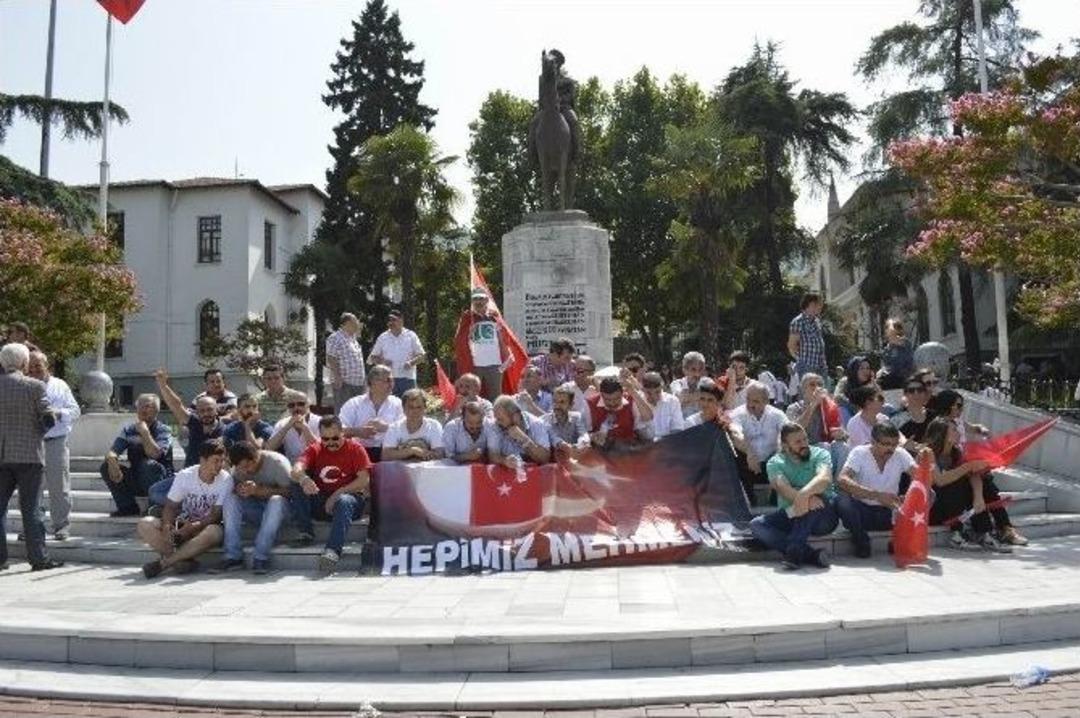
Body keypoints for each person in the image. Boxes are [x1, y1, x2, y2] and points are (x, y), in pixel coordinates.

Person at [0, 343, 62, 571]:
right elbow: (48, 419)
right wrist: (36, 433)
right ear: (25, 363)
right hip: (30, 456)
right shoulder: (34, 386)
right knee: (31, 509)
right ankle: (38, 559)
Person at [922, 417, 1021, 552]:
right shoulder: (927, 452)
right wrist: (968, 466)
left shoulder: (957, 452)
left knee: (984, 482)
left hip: (952, 506)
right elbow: (939, 480)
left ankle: (985, 532)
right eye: (954, 429)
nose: (958, 432)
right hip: (931, 507)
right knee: (955, 483)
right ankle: (956, 536)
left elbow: (974, 474)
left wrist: (978, 497)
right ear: (942, 433)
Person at [289, 415, 372, 572]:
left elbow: (363, 481)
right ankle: (306, 532)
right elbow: (295, 469)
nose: (330, 443)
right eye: (325, 439)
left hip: (350, 501)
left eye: (335, 438)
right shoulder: (316, 448)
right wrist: (304, 479)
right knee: (296, 484)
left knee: (344, 501)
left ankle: (333, 551)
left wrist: (337, 494)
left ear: (342, 433)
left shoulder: (355, 449)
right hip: (322, 500)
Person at [137, 440, 230, 578]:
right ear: (203, 460)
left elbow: (215, 515)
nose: (220, 465)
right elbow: (170, 506)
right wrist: (168, 526)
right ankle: (181, 562)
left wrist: (193, 527)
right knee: (145, 523)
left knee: (215, 532)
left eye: (222, 461)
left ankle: (165, 563)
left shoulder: (225, 479)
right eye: (216, 460)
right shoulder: (185, 475)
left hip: (205, 527)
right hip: (182, 524)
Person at [749, 424, 836, 570]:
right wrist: (806, 498)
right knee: (757, 525)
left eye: (805, 439)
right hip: (792, 513)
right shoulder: (775, 462)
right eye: (798, 442)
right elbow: (782, 488)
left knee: (816, 500)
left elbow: (824, 479)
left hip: (823, 515)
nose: (804, 444)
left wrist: (804, 495)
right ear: (785, 445)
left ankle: (795, 550)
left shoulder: (820, 454)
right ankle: (811, 555)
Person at [835, 423, 917, 558]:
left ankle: (900, 539)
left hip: (890, 513)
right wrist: (877, 496)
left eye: (894, 444)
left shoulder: (900, 454)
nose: (891, 448)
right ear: (873, 441)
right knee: (841, 500)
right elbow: (842, 479)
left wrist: (909, 496)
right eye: (886, 444)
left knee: (929, 494)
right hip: (862, 512)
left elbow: (919, 477)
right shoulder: (860, 452)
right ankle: (862, 542)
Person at [216, 441, 292, 573]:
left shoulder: (277, 463)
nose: (245, 471)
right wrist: (240, 490)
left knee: (276, 500)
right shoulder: (239, 470)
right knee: (230, 499)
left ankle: (260, 557)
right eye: (241, 468)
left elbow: (292, 493)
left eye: (247, 466)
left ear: (256, 456)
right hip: (257, 511)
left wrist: (261, 491)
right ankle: (233, 557)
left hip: (282, 512)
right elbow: (235, 490)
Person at [27, 351, 80, 540]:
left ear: (46, 366)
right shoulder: (24, 385)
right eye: (30, 367)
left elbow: (75, 410)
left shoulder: (60, 385)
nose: (34, 370)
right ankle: (34, 527)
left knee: (59, 485)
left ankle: (61, 526)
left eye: (37, 366)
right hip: (31, 442)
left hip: (55, 441)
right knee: (32, 488)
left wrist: (59, 412)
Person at [100, 394, 174, 517]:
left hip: (161, 480)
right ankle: (128, 507)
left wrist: (144, 432)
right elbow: (113, 451)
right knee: (105, 467)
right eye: (140, 406)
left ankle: (155, 507)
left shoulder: (163, 430)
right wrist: (112, 460)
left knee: (148, 465)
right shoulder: (129, 430)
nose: (143, 410)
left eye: (148, 406)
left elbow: (155, 454)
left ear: (156, 410)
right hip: (137, 476)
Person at [154, 368, 226, 469]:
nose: (206, 414)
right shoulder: (194, 422)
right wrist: (163, 385)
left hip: (214, 476)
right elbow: (177, 405)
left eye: (209, 410)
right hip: (190, 475)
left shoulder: (224, 430)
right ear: (197, 412)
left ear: (216, 410)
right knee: (158, 486)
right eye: (202, 411)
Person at [729, 381, 787, 503]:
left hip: (772, 460)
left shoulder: (777, 414)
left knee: (786, 456)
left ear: (766, 401)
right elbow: (735, 434)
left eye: (755, 401)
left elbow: (786, 434)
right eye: (748, 399)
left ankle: (779, 505)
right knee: (734, 456)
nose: (750, 404)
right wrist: (749, 452)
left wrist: (777, 456)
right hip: (746, 461)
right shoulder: (737, 413)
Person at [455, 288, 511, 401]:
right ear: (472, 301)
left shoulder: (494, 316)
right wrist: (468, 332)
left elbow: (505, 338)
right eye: (475, 299)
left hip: (495, 364)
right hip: (475, 365)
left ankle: (495, 418)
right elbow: (459, 340)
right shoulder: (467, 317)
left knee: (496, 397)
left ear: (486, 300)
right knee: (472, 397)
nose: (478, 302)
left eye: (481, 298)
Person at [340, 365, 402, 463]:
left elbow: (407, 430)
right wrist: (358, 432)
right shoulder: (354, 403)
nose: (391, 384)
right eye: (387, 380)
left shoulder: (398, 403)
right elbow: (338, 429)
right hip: (359, 451)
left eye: (392, 381)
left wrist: (386, 427)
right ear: (373, 382)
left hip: (389, 453)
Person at [587, 375, 654, 451]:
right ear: (601, 394)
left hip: (628, 450)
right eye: (607, 399)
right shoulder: (590, 403)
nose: (612, 403)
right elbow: (581, 433)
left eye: (616, 399)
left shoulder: (631, 400)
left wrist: (633, 391)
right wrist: (592, 437)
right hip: (600, 452)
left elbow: (648, 417)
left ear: (622, 393)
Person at [369, 310, 426, 397]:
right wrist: (382, 361)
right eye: (389, 320)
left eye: (394, 320)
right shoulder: (383, 337)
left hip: (408, 379)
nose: (391, 322)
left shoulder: (411, 336)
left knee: (408, 407)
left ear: (401, 320)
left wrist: (411, 363)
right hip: (388, 379)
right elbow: (373, 357)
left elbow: (422, 356)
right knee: (389, 408)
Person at [487, 395, 552, 467]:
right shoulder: (495, 426)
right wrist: (504, 461)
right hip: (508, 474)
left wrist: (525, 439)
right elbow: (492, 455)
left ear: (515, 417)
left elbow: (545, 458)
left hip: (534, 473)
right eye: (496, 419)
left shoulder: (536, 424)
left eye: (501, 419)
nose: (498, 422)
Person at [382, 389, 445, 462]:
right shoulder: (394, 428)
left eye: (419, 407)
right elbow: (385, 456)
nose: (415, 411)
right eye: (411, 407)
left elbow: (440, 454)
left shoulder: (434, 426)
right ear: (403, 409)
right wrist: (413, 451)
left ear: (425, 408)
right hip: (400, 471)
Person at [326, 312, 367, 413]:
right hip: (344, 383)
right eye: (356, 321)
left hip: (358, 384)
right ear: (348, 323)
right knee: (343, 411)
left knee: (357, 413)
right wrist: (337, 376)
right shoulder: (336, 337)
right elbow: (331, 357)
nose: (358, 324)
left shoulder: (353, 340)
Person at [266, 394, 321, 463]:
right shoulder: (282, 424)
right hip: (292, 468)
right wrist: (287, 427)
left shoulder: (319, 421)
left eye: (301, 404)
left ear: (308, 405)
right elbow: (269, 448)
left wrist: (305, 428)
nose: (296, 408)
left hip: (315, 466)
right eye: (292, 405)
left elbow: (321, 450)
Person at [543, 382, 591, 460]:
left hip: (574, 457)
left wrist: (581, 444)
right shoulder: (545, 420)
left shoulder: (577, 416)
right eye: (555, 402)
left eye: (562, 402)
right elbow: (555, 439)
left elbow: (584, 434)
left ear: (571, 405)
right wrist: (569, 448)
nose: (557, 406)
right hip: (553, 462)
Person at [788, 293, 828, 382]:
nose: (820, 307)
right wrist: (802, 361)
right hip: (807, 366)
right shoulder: (798, 321)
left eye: (820, 304)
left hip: (821, 365)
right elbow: (791, 346)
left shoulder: (817, 321)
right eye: (818, 304)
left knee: (822, 393)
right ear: (809, 305)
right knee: (808, 394)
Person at [846, 384, 899, 449]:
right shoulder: (854, 423)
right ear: (868, 403)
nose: (883, 401)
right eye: (880, 398)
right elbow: (867, 449)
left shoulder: (884, 419)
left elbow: (897, 438)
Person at [890, 378, 933, 447]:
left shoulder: (934, 417)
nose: (916, 393)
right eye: (911, 390)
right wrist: (904, 445)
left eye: (920, 390)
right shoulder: (896, 418)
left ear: (925, 393)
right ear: (905, 394)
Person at [642, 371, 684, 439]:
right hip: (648, 445)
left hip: (669, 442)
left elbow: (677, 428)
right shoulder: (638, 402)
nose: (654, 396)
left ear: (662, 387)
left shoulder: (672, 401)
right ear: (643, 390)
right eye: (649, 393)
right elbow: (639, 429)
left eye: (657, 392)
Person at [878, 318, 915, 389]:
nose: (887, 330)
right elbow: (886, 365)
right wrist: (881, 370)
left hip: (903, 379)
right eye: (886, 328)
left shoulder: (904, 342)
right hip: (890, 380)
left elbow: (906, 363)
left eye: (888, 327)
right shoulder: (887, 349)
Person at [670, 352, 707, 419]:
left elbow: (717, 400)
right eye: (693, 369)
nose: (697, 374)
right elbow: (680, 399)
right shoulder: (677, 384)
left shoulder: (707, 382)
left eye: (700, 369)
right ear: (684, 370)